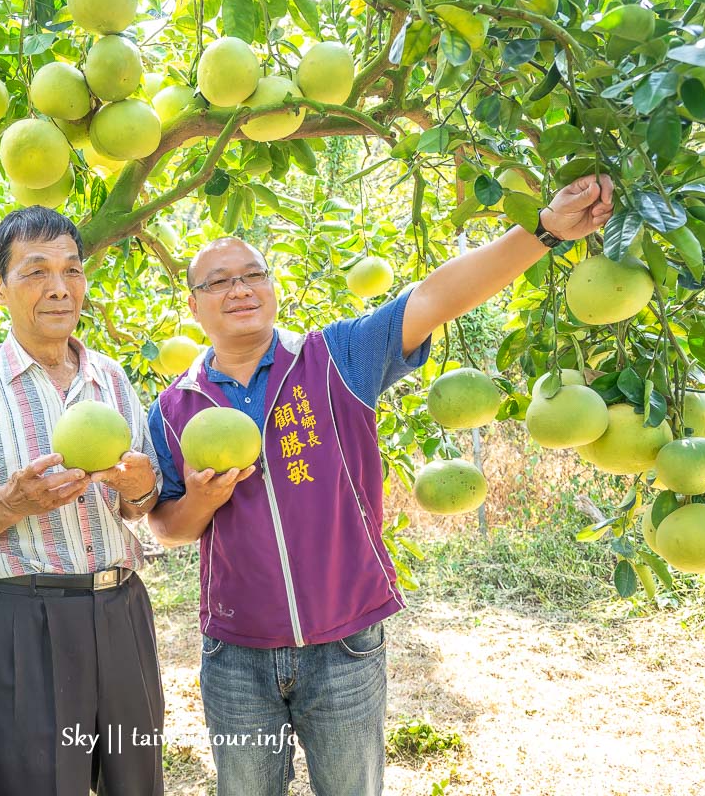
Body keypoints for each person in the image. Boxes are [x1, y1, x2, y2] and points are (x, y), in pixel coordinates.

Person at [147, 175, 615, 795]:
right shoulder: (175, 405)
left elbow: (435, 297)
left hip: (345, 642)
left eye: (253, 274)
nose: (239, 289)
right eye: (218, 281)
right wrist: (203, 500)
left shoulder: (335, 356)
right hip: (235, 651)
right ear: (194, 305)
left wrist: (545, 230)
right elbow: (166, 526)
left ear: (272, 287)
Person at [0, 206, 165, 796]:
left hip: (122, 610)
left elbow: (144, 504)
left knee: (139, 785)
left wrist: (139, 489)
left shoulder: (113, 379)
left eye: (72, 270)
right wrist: (9, 504)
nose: (60, 288)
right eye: (36, 272)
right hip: (22, 622)